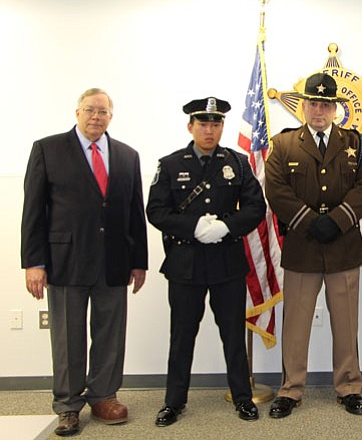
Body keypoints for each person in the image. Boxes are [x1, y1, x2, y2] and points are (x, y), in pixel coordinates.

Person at [21, 88, 148, 437]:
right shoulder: (47, 149)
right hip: (65, 260)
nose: (96, 116)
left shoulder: (126, 155)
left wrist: (139, 261)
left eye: (103, 111)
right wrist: (34, 262)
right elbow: (33, 210)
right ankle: (67, 405)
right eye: (90, 110)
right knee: (67, 337)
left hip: (114, 261)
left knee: (110, 334)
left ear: (111, 116)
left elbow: (134, 212)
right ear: (77, 112)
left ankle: (104, 396)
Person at [146, 97, 266, 425]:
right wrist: (193, 226)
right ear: (191, 126)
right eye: (203, 124)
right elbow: (155, 211)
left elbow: (257, 206)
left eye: (216, 124)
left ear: (222, 127)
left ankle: (242, 397)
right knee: (182, 335)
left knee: (232, 334)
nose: (209, 130)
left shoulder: (238, 163)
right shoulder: (170, 164)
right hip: (185, 264)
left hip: (227, 262)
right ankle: (174, 402)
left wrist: (228, 227)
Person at [264, 73, 362, 418]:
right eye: (313, 102)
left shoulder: (356, 144)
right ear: (303, 106)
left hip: (342, 245)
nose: (319, 109)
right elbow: (276, 190)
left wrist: (338, 219)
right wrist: (313, 222)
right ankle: (291, 389)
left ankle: (348, 387)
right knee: (295, 323)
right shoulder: (284, 145)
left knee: (346, 322)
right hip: (303, 245)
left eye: (326, 104)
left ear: (335, 109)